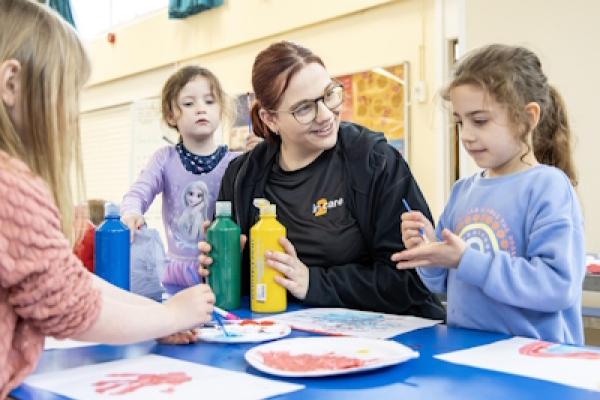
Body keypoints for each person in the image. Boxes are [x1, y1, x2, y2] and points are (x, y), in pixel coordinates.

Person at [0, 1, 214, 397]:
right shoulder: (11, 187)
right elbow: (73, 305)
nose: (70, 114)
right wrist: (168, 314)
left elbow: (71, 277)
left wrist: (159, 315)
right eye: (65, 93)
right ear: (11, 83)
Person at [199, 41, 445, 318]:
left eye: (329, 95)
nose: (326, 115)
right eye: (304, 108)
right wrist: (223, 266)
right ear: (270, 119)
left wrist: (313, 283)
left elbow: (412, 278)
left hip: (388, 336)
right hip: (284, 335)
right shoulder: (242, 177)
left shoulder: (374, 161)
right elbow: (245, 289)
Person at [392, 44, 585, 345]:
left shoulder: (548, 187)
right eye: (460, 122)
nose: (466, 134)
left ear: (528, 117)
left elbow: (557, 287)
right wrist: (429, 253)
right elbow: (443, 284)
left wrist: (467, 259)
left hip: (532, 362)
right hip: (469, 353)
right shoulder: (463, 190)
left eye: (479, 121)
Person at [121, 65, 239, 288]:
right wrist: (132, 213)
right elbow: (137, 193)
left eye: (209, 101)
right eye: (188, 103)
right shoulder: (165, 159)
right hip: (176, 275)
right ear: (171, 115)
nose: (200, 109)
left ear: (221, 109)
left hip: (224, 273)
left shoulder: (235, 162)